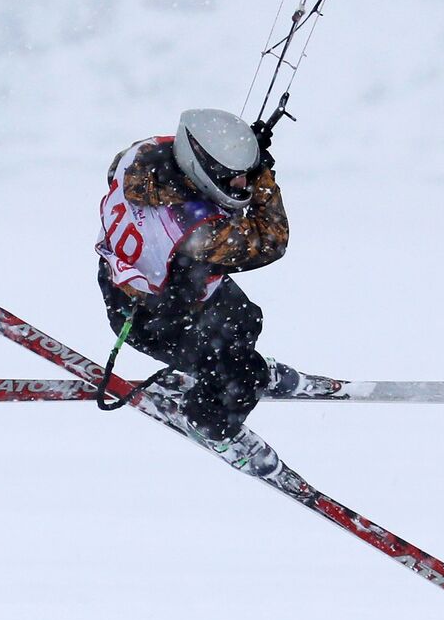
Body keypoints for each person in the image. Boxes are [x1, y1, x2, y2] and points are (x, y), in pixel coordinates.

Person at [96, 108, 330, 446]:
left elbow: (135, 171)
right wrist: (262, 176)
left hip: (150, 286)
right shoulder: (199, 233)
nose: (241, 184)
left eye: (244, 175)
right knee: (245, 375)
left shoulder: (140, 156)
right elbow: (271, 241)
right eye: (232, 176)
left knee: (246, 319)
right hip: (153, 321)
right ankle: (209, 420)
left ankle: (216, 373)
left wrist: (240, 153)